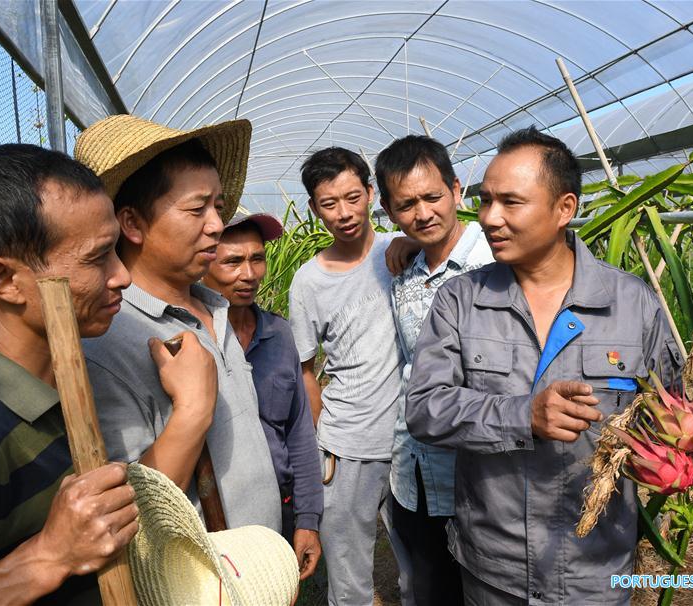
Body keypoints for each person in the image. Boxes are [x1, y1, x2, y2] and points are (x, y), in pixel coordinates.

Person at [405, 127, 684, 605]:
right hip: (495, 566)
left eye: (511, 202)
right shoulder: (460, 300)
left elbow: (670, 415)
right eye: (486, 200)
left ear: (564, 209)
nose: (490, 218)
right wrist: (522, 415)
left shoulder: (632, 304)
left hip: (596, 568)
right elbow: (425, 409)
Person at [0, 144, 138, 603]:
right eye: (98, 258)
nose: (123, 276)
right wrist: (49, 556)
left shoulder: (71, 374)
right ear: (5, 281)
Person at [74, 115, 281, 532]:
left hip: (259, 563)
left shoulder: (215, 309)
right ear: (131, 223)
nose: (217, 226)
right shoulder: (110, 341)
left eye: (218, 207)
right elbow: (129, 514)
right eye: (196, 209)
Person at [288, 147, 416, 605]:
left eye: (351, 197)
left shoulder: (402, 250)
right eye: (328, 203)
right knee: (349, 576)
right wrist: (321, 445)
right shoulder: (308, 282)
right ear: (314, 208)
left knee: (423, 571)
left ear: (370, 194)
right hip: (346, 447)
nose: (343, 213)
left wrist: (409, 242)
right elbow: (306, 371)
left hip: (412, 442)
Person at [375, 135, 492, 606]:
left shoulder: (496, 262)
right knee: (430, 586)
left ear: (457, 191)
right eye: (406, 205)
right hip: (415, 469)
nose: (422, 213)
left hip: (482, 474)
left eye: (432, 197)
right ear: (388, 210)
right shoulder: (404, 271)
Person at [202, 212, 323, 580]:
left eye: (257, 258)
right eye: (233, 261)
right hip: (221, 518)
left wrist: (308, 518)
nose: (250, 274)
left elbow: (299, 432)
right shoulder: (194, 339)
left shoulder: (279, 333)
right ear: (203, 264)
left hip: (281, 509)